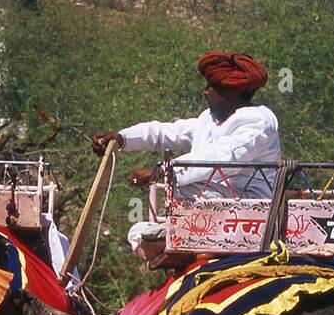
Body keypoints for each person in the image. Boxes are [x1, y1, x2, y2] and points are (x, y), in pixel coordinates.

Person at [92, 51, 281, 256]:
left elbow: (221, 157)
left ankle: (199, 239)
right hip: (217, 206)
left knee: (189, 183)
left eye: (211, 87)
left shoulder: (258, 122)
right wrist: (121, 138)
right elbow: (166, 131)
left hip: (250, 209)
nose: (205, 92)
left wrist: (159, 172)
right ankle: (186, 237)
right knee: (137, 233)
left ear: (230, 92)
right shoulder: (210, 119)